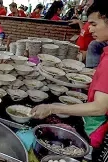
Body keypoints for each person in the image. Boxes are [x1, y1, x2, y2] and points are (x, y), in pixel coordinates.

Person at [31, 0, 108, 150]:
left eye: (94, 24)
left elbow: (99, 107)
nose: (89, 29)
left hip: (96, 130)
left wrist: (52, 108)